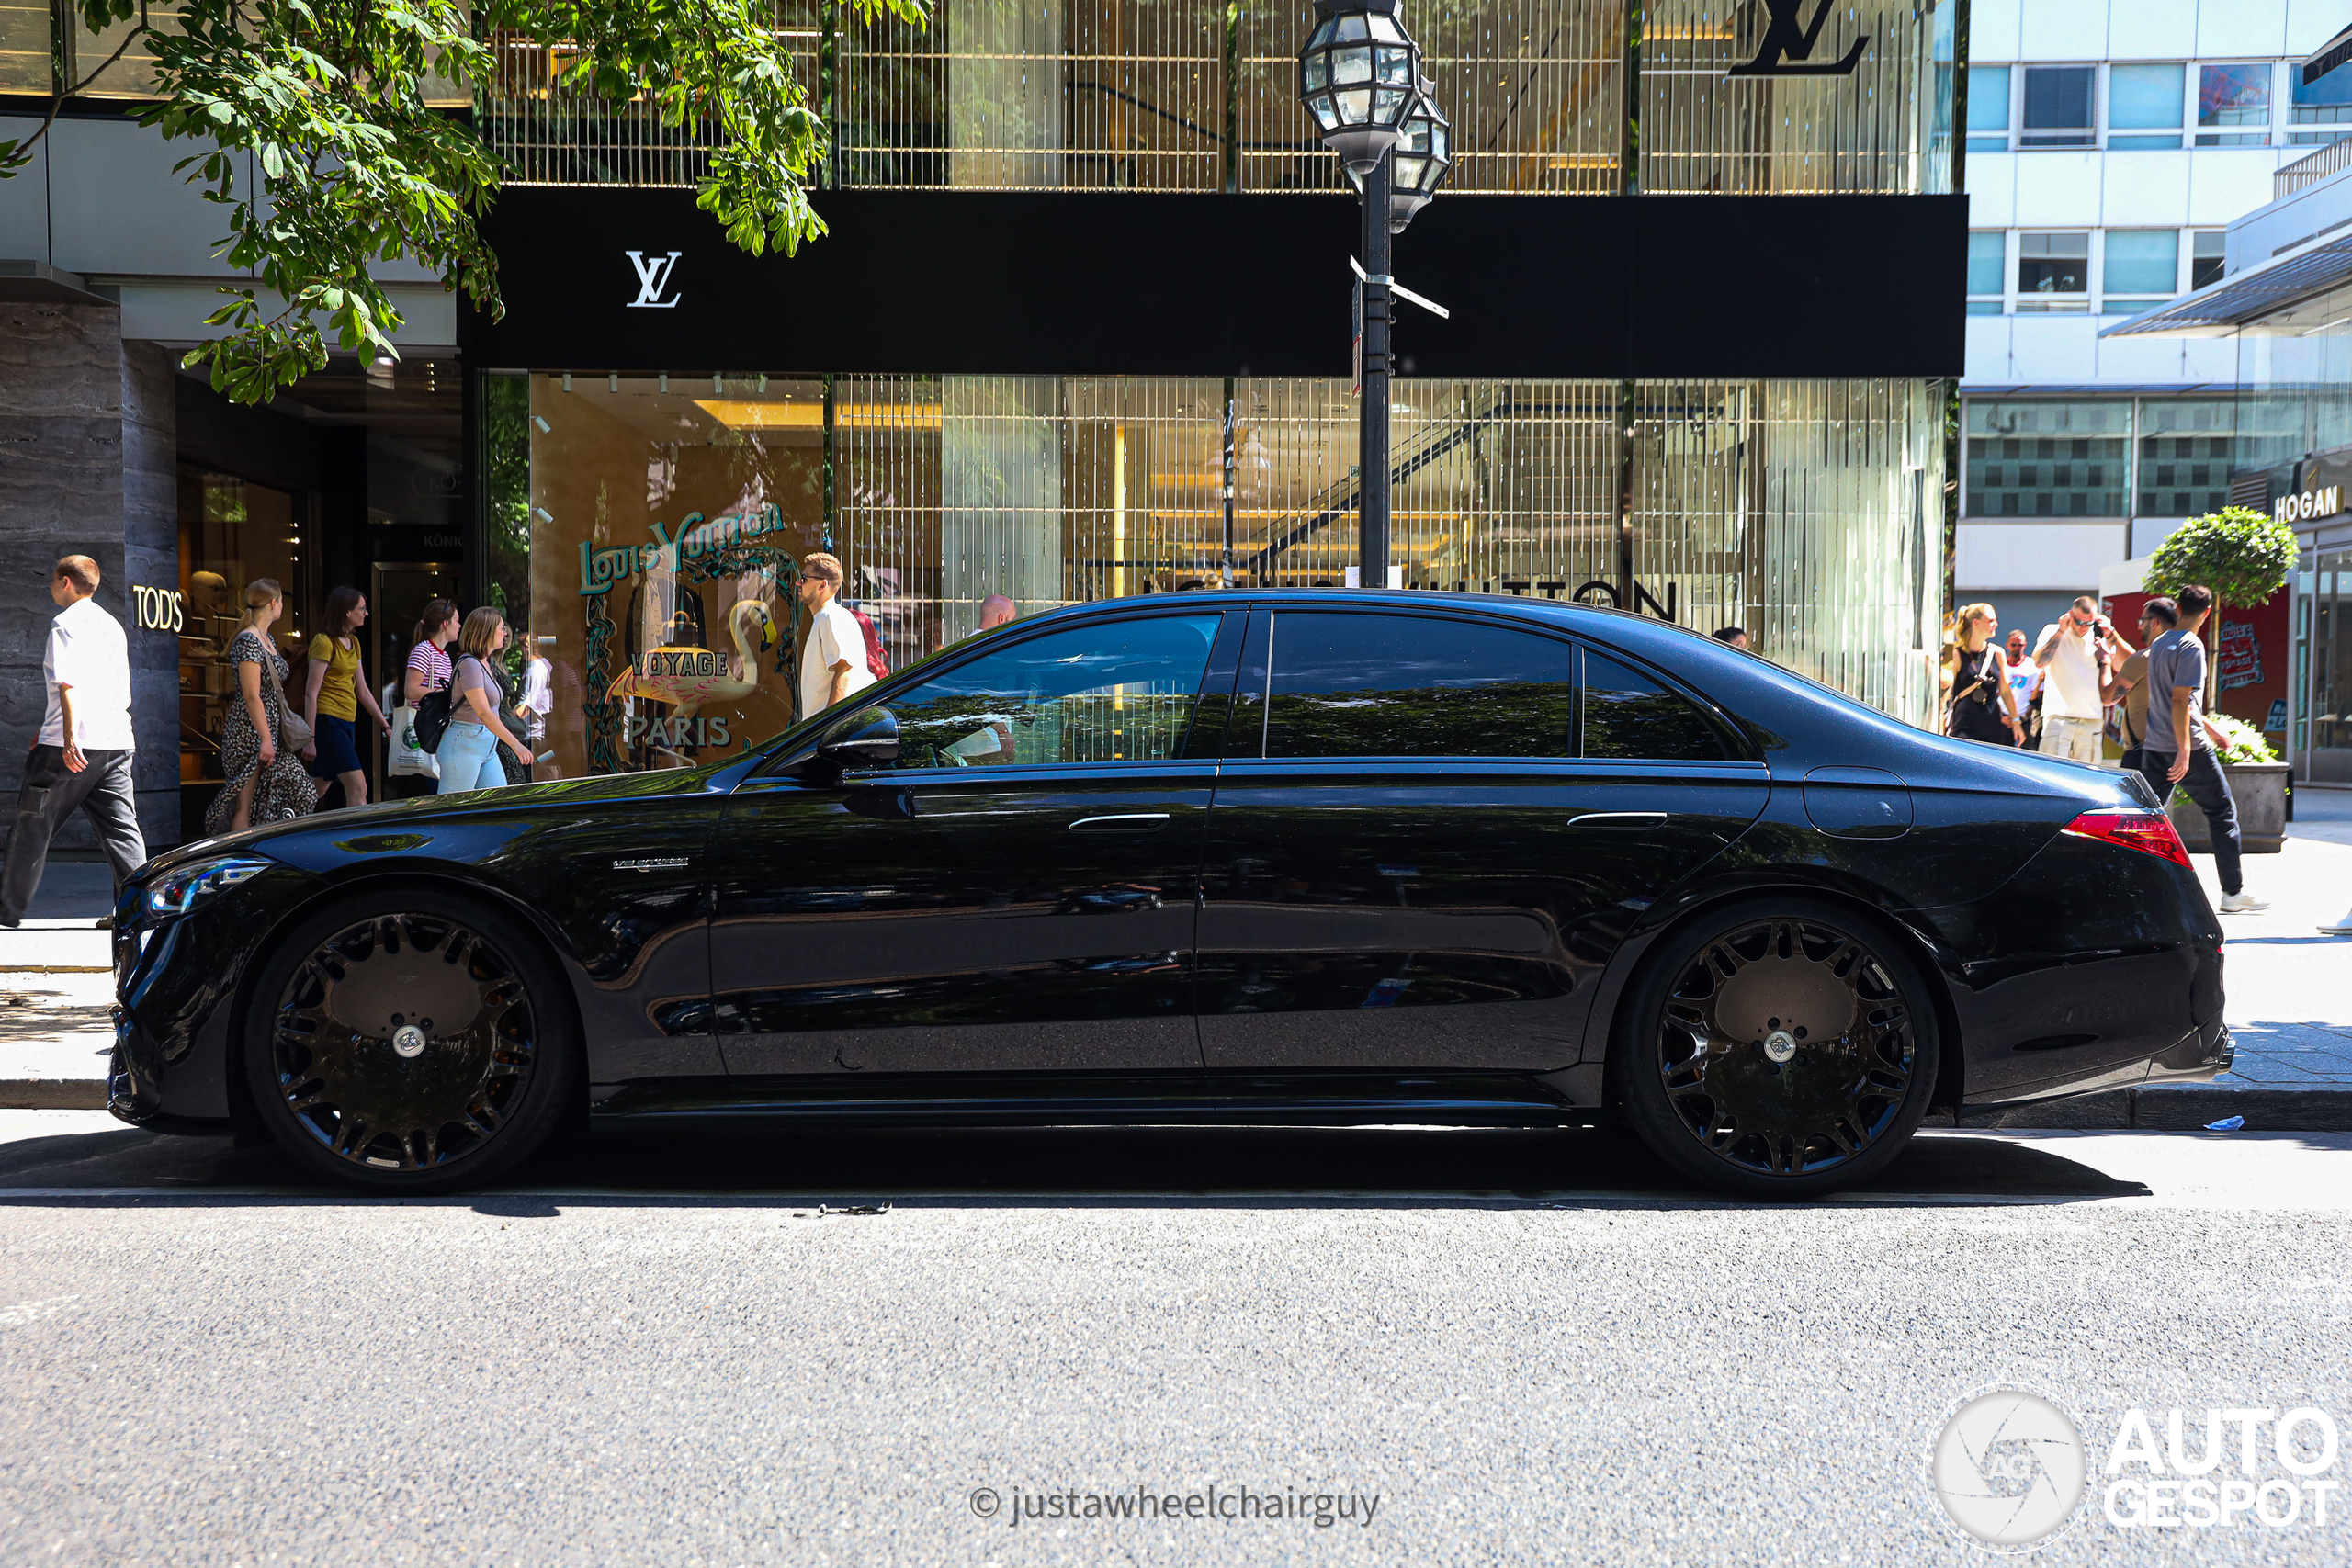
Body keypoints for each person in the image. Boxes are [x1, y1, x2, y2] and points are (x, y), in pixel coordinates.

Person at [2, 557, 147, 928]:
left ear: (66, 582)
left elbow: (68, 686)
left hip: (69, 747)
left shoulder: (64, 624)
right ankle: (140, 909)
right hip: (115, 741)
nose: (50, 587)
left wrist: (66, 738)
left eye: (53, 580)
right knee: (121, 829)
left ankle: (8, 910)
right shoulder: (112, 625)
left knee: (33, 823)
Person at [2133, 583, 2266, 914]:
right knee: (2222, 813)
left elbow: (2177, 700)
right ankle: (2232, 894)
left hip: (2155, 744)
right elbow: (2179, 698)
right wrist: (2184, 751)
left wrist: (2211, 728)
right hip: (2185, 748)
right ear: (2207, 612)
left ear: (2177, 608)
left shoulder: (2159, 643)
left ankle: (2134, 889)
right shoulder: (2191, 646)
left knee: (2145, 819)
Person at [204, 579, 314, 836]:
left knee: (299, 790)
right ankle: (237, 858)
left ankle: (266, 847)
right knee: (246, 804)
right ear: (274, 603)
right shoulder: (249, 641)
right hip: (249, 733)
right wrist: (265, 738)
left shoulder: (266, 638)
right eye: (282, 602)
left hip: (269, 732)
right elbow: (251, 695)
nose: (282, 606)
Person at [302, 586, 389, 808]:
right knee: (359, 787)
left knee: (316, 790)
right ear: (347, 612)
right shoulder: (323, 642)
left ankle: (279, 818)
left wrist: (384, 724)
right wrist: (309, 738)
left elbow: (363, 690)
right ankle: (359, 840)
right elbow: (311, 693)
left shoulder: (354, 643)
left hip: (347, 721)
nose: (366, 613)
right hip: (327, 722)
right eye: (362, 609)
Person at [436, 608, 534, 794]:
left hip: (486, 746)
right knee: (452, 811)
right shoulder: (470, 665)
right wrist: (515, 745)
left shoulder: (485, 663)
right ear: (486, 631)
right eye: (501, 628)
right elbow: (483, 712)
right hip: (465, 743)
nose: (505, 633)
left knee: (497, 804)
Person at [2030, 595, 2117, 765]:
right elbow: (2039, 662)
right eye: (2078, 622)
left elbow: (2122, 666)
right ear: (2070, 615)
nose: (2083, 627)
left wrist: (2111, 633)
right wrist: (2061, 631)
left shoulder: (2100, 637)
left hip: (2091, 720)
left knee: (2088, 781)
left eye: (2088, 623)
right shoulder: (2052, 631)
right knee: (2053, 776)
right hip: (2058, 718)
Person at [797, 552, 876, 720]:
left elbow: (845, 669)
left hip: (831, 733)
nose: (798, 583)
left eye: (804, 579)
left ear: (822, 585)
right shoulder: (826, 617)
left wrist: (827, 724)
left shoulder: (830, 616)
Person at [1945, 603, 2024, 746]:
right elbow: (1946, 694)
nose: (1996, 624)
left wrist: (2016, 720)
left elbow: (2005, 690)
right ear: (1976, 623)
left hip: (1992, 725)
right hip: (1963, 727)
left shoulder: (1997, 653)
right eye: (1991, 621)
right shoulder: (1956, 654)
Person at [2002, 628, 2043, 748]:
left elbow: (2035, 697)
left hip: (2025, 721)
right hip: (2004, 721)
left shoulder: (2032, 666)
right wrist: (2002, 717)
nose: (2017, 648)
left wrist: (2022, 718)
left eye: (2020, 645)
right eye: (2013, 645)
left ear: (2025, 645)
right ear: (2007, 645)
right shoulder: (2002, 665)